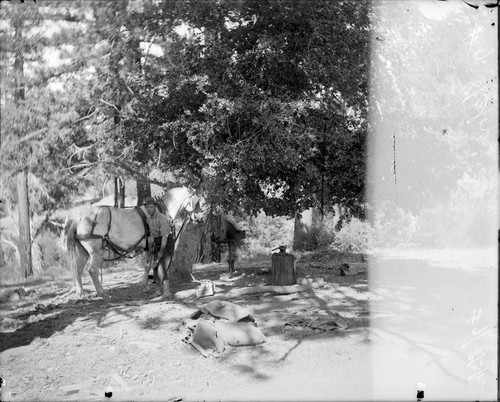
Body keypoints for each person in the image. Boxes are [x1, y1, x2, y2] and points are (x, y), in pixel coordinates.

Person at [143, 197, 173, 299]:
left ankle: (167, 291)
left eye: (151, 207)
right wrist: (151, 247)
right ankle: (159, 290)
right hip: (156, 243)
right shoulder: (149, 218)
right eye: (147, 207)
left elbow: (164, 236)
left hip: (166, 243)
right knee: (155, 268)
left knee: (162, 267)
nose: (149, 209)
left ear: (155, 207)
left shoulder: (162, 218)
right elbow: (152, 234)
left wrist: (161, 251)